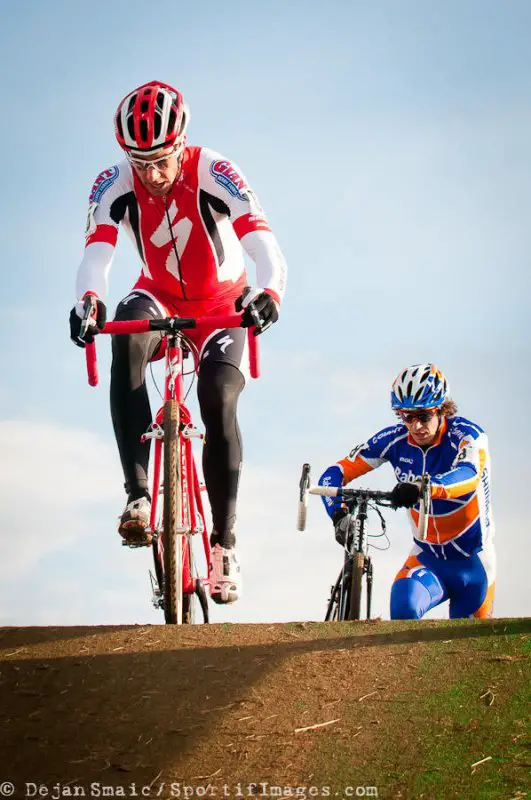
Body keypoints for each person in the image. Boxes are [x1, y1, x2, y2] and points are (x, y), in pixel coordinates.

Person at [69, 80, 287, 605]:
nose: (152, 174)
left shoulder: (214, 170)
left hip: (222, 303)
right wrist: (88, 303)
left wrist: (270, 292)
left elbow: (264, 244)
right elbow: (96, 258)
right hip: (159, 295)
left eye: (162, 160)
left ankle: (223, 544)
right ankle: (139, 497)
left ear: (182, 143)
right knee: (124, 335)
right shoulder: (113, 183)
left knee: (217, 395)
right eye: (140, 162)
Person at [319, 364, 496, 619]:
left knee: (470, 651)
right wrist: (338, 514)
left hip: (475, 563)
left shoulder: (467, 435)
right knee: (404, 608)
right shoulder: (395, 440)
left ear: (441, 409)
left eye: (423, 416)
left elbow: (469, 475)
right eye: (406, 416)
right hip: (428, 557)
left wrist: (423, 487)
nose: (415, 426)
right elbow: (332, 474)